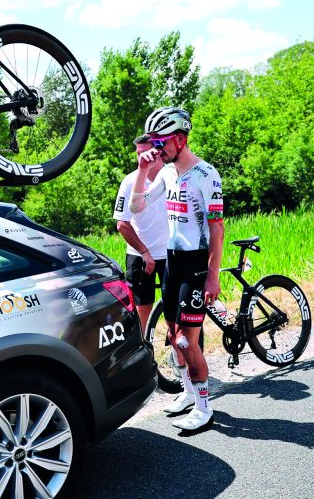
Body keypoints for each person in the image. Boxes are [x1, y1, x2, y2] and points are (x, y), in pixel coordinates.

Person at [129, 107, 224, 431]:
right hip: (172, 261)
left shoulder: (206, 175)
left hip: (196, 263)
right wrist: (143, 171)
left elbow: (217, 229)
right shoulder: (166, 173)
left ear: (180, 140)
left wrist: (213, 276)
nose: (156, 148)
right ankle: (187, 392)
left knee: (186, 341)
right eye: (152, 141)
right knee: (172, 334)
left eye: (161, 141)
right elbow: (137, 206)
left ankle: (204, 406)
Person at [113, 134, 169, 334]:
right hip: (140, 255)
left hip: (170, 253)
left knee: (175, 306)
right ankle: (143, 349)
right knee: (142, 306)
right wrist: (145, 252)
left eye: (146, 153)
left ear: (159, 152)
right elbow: (122, 224)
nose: (141, 158)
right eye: (138, 154)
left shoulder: (172, 176)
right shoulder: (130, 182)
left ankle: (182, 355)